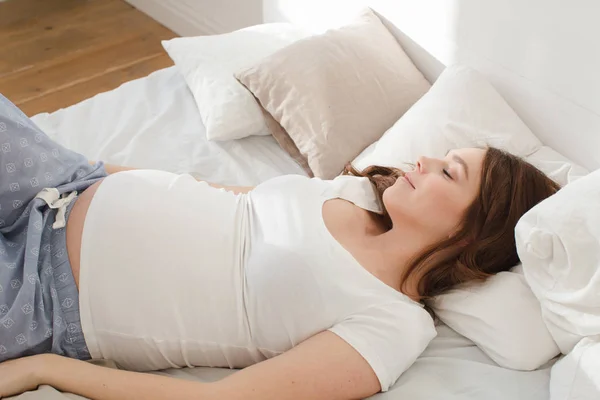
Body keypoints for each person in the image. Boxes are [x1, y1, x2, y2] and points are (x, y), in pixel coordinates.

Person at [0, 93, 560, 399]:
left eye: (449, 171)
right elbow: (213, 195)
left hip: (42, 296)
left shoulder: (390, 326)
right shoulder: (354, 193)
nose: (424, 160)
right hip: (64, 184)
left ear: (473, 232)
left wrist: (42, 370)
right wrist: (101, 174)